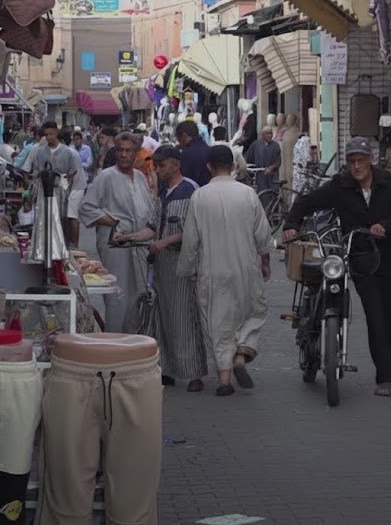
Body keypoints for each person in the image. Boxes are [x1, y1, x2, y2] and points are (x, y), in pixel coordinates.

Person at [283, 137, 391, 397]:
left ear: (371, 160)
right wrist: (291, 225)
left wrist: (386, 226)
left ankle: (388, 356)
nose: (357, 167)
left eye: (361, 161)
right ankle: (385, 376)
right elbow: (307, 202)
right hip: (361, 258)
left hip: (390, 259)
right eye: (352, 161)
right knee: (375, 317)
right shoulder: (340, 186)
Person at [177, 146, 273, 396]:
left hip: (212, 270)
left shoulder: (199, 197)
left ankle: (224, 381)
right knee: (253, 312)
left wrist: (188, 269)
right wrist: (265, 261)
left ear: (208, 166)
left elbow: (191, 240)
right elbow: (263, 234)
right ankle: (241, 354)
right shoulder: (248, 194)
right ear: (233, 166)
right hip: (246, 268)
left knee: (217, 322)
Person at [79, 132, 155, 332]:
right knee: (117, 296)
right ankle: (114, 341)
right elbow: (86, 208)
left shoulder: (139, 176)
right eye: (120, 150)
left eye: (128, 151)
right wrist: (112, 221)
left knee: (138, 294)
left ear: (135, 153)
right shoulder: (106, 176)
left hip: (139, 245)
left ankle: (134, 339)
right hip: (115, 245)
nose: (123, 155)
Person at [148, 146, 207, 391]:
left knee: (185, 317)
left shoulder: (191, 191)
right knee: (163, 318)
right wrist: (128, 236)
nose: (157, 171)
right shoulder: (162, 192)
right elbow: (153, 226)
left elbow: (195, 231)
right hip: (162, 266)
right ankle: (168, 370)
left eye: (161, 166)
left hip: (183, 264)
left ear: (175, 164)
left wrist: (166, 241)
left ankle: (193, 373)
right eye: (156, 166)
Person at [26, 123, 86, 248]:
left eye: (51, 134)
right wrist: (31, 195)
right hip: (45, 191)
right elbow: (36, 173)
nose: (49, 137)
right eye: (46, 135)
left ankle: (67, 247)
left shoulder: (68, 152)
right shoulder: (40, 152)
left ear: (57, 133)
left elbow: (73, 173)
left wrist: (68, 187)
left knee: (63, 220)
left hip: (63, 191)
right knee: (46, 220)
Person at [175, 120, 211, 187]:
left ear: (184, 136)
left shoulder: (186, 154)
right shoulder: (209, 149)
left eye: (178, 138)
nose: (178, 142)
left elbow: (185, 178)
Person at [245, 126, 281, 192]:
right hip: (260, 175)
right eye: (267, 133)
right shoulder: (256, 144)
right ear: (263, 134)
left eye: (271, 133)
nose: (270, 135)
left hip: (272, 175)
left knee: (272, 193)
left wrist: (272, 167)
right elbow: (248, 157)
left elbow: (278, 161)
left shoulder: (276, 145)